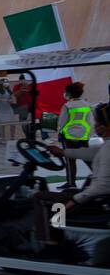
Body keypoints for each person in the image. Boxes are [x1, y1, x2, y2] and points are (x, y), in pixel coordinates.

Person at [34, 105, 110, 250]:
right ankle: (59, 233)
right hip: (99, 198)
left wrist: (75, 200)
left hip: (97, 201)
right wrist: (63, 152)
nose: (95, 127)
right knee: (64, 193)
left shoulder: (108, 148)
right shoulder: (106, 146)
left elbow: (103, 186)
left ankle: (50, 243)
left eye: (99, 124)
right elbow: (92, 153)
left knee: (40, 197)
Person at [57, 82, 93, 148]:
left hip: (70, 136)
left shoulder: (67, 106)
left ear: (69, 94)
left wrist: (59, 133)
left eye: (66, 92)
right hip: (84, 136)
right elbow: (90, 121)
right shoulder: (88, 105)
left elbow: (62, 123)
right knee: (86, 156)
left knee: (71, 156)